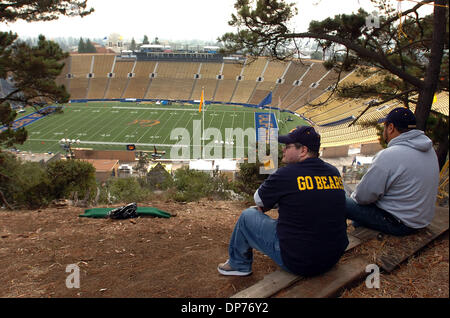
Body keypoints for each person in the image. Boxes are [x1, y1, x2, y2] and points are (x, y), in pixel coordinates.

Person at [218, 126, 349, 277]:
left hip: (300, 262)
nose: (283, 150)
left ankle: (238, 264)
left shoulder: (286, 174)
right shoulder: (333, 171)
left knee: (248, 216)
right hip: (332, 257)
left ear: (303, 150)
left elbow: (258, 200)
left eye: (287, 146)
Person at [346, 107, 440, 236]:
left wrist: (352, 198)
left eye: (385, 127)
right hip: (420, 220)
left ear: (391, 127)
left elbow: (363, 197)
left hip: (400, 224)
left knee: (340, 199)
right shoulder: (430, 151)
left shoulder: (389, 155)